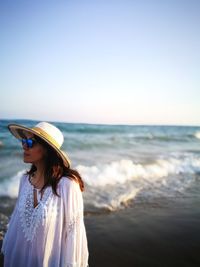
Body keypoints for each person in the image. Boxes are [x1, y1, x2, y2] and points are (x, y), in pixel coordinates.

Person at [1, 121, 89, 267]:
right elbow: (16, 225)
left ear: (47, 149)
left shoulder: (67, 185)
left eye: (30, 142)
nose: (24, 145)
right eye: (24, 140)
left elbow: (74, 234)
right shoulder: (24, 181)